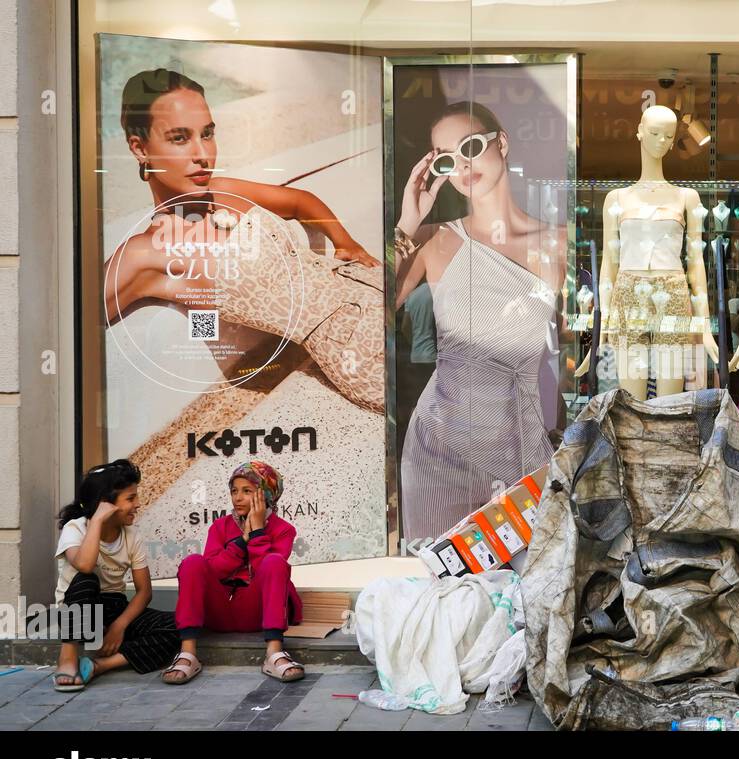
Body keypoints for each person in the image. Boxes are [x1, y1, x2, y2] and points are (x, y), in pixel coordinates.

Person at [104, 68, 384, 412]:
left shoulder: (222, 190)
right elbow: (71, 323)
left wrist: (346, 243)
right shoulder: (146, 253)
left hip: (372, 286)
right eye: (179, 138)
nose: (202, 154)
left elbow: (300, 201)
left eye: (207, 134)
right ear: (139, 148)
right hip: (359, 346)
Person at [394, 102, 566, 539]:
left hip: (520, 445)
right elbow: (369, 314)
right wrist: (406, 225)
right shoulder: (434, 240)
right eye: (447, 159)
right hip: (438, 447)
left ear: (502, 143)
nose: (463, 165)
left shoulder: (558, 243)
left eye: (471, 146)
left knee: (525, 585)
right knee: (441, 585)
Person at [164, 462, 305, 684]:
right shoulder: (220, 527)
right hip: (219, 612)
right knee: (193, 562)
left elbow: (267, 572)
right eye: (234, 491)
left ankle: (275, 653)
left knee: (275, 562)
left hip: (256, 612)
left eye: (247, 491)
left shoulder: (283, 529)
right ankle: (188, 653)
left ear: (266, 496)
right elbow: (215, 571)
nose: (237, 498)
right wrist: (241, 542)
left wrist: (257, 532)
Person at [52, 460, 179, 691]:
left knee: (179, 624)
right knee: (86, 579)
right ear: (105, 503)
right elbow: (85, 565)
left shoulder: (131, 536)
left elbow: (144, 592)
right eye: (130, 499)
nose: (138, 504)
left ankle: (99, 665)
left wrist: (119, 626)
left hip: (114, 608)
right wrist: (97, 521)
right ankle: (68, 658)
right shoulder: (76, 528)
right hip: (79, 607)